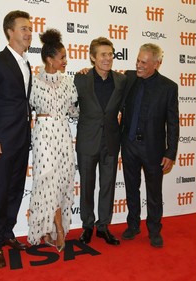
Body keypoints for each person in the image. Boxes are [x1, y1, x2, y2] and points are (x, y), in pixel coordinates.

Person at [0, 10, 33, 268]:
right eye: (23, 28)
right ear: (9, 31)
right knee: (1, 190)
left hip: (22, 137)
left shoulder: (27, 63)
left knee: (16, 189)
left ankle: (8, 232)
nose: (28, 32)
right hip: (3, 139)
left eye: (29, 29)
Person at [120, 43, 179, 248]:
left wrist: (170, 152)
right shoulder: (128, 78)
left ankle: (154, 230)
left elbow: (173, 122)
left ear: (157, 64)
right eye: (137, 60)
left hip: (153, 149)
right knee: (131, 188)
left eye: (144, 62)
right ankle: (133, 225)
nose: (138, 65)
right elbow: (104, 76)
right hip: (128, 145)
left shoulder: (169, 88)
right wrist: (85, 72)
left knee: (154, 192)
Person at [27, 29, 78, 253]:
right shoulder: (34, 81)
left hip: (63, 134)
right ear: (50, 59)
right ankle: (54, 227)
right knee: (46, 181)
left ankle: (52, 228)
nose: (65, 61)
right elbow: (25, 107)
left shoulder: (69, 82)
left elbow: (74, 112)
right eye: (62, 57)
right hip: (43, 134)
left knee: (61, 182)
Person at [74, 37, 126, 246]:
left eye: (110, 54)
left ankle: (103, 226)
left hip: (112, 141)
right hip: (87, 141)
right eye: (103, 54)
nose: (108, 58)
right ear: (92, 57)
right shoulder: (80, 78)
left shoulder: (122, 80)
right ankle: (87, 226)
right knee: (87, 186)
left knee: (108, 186)